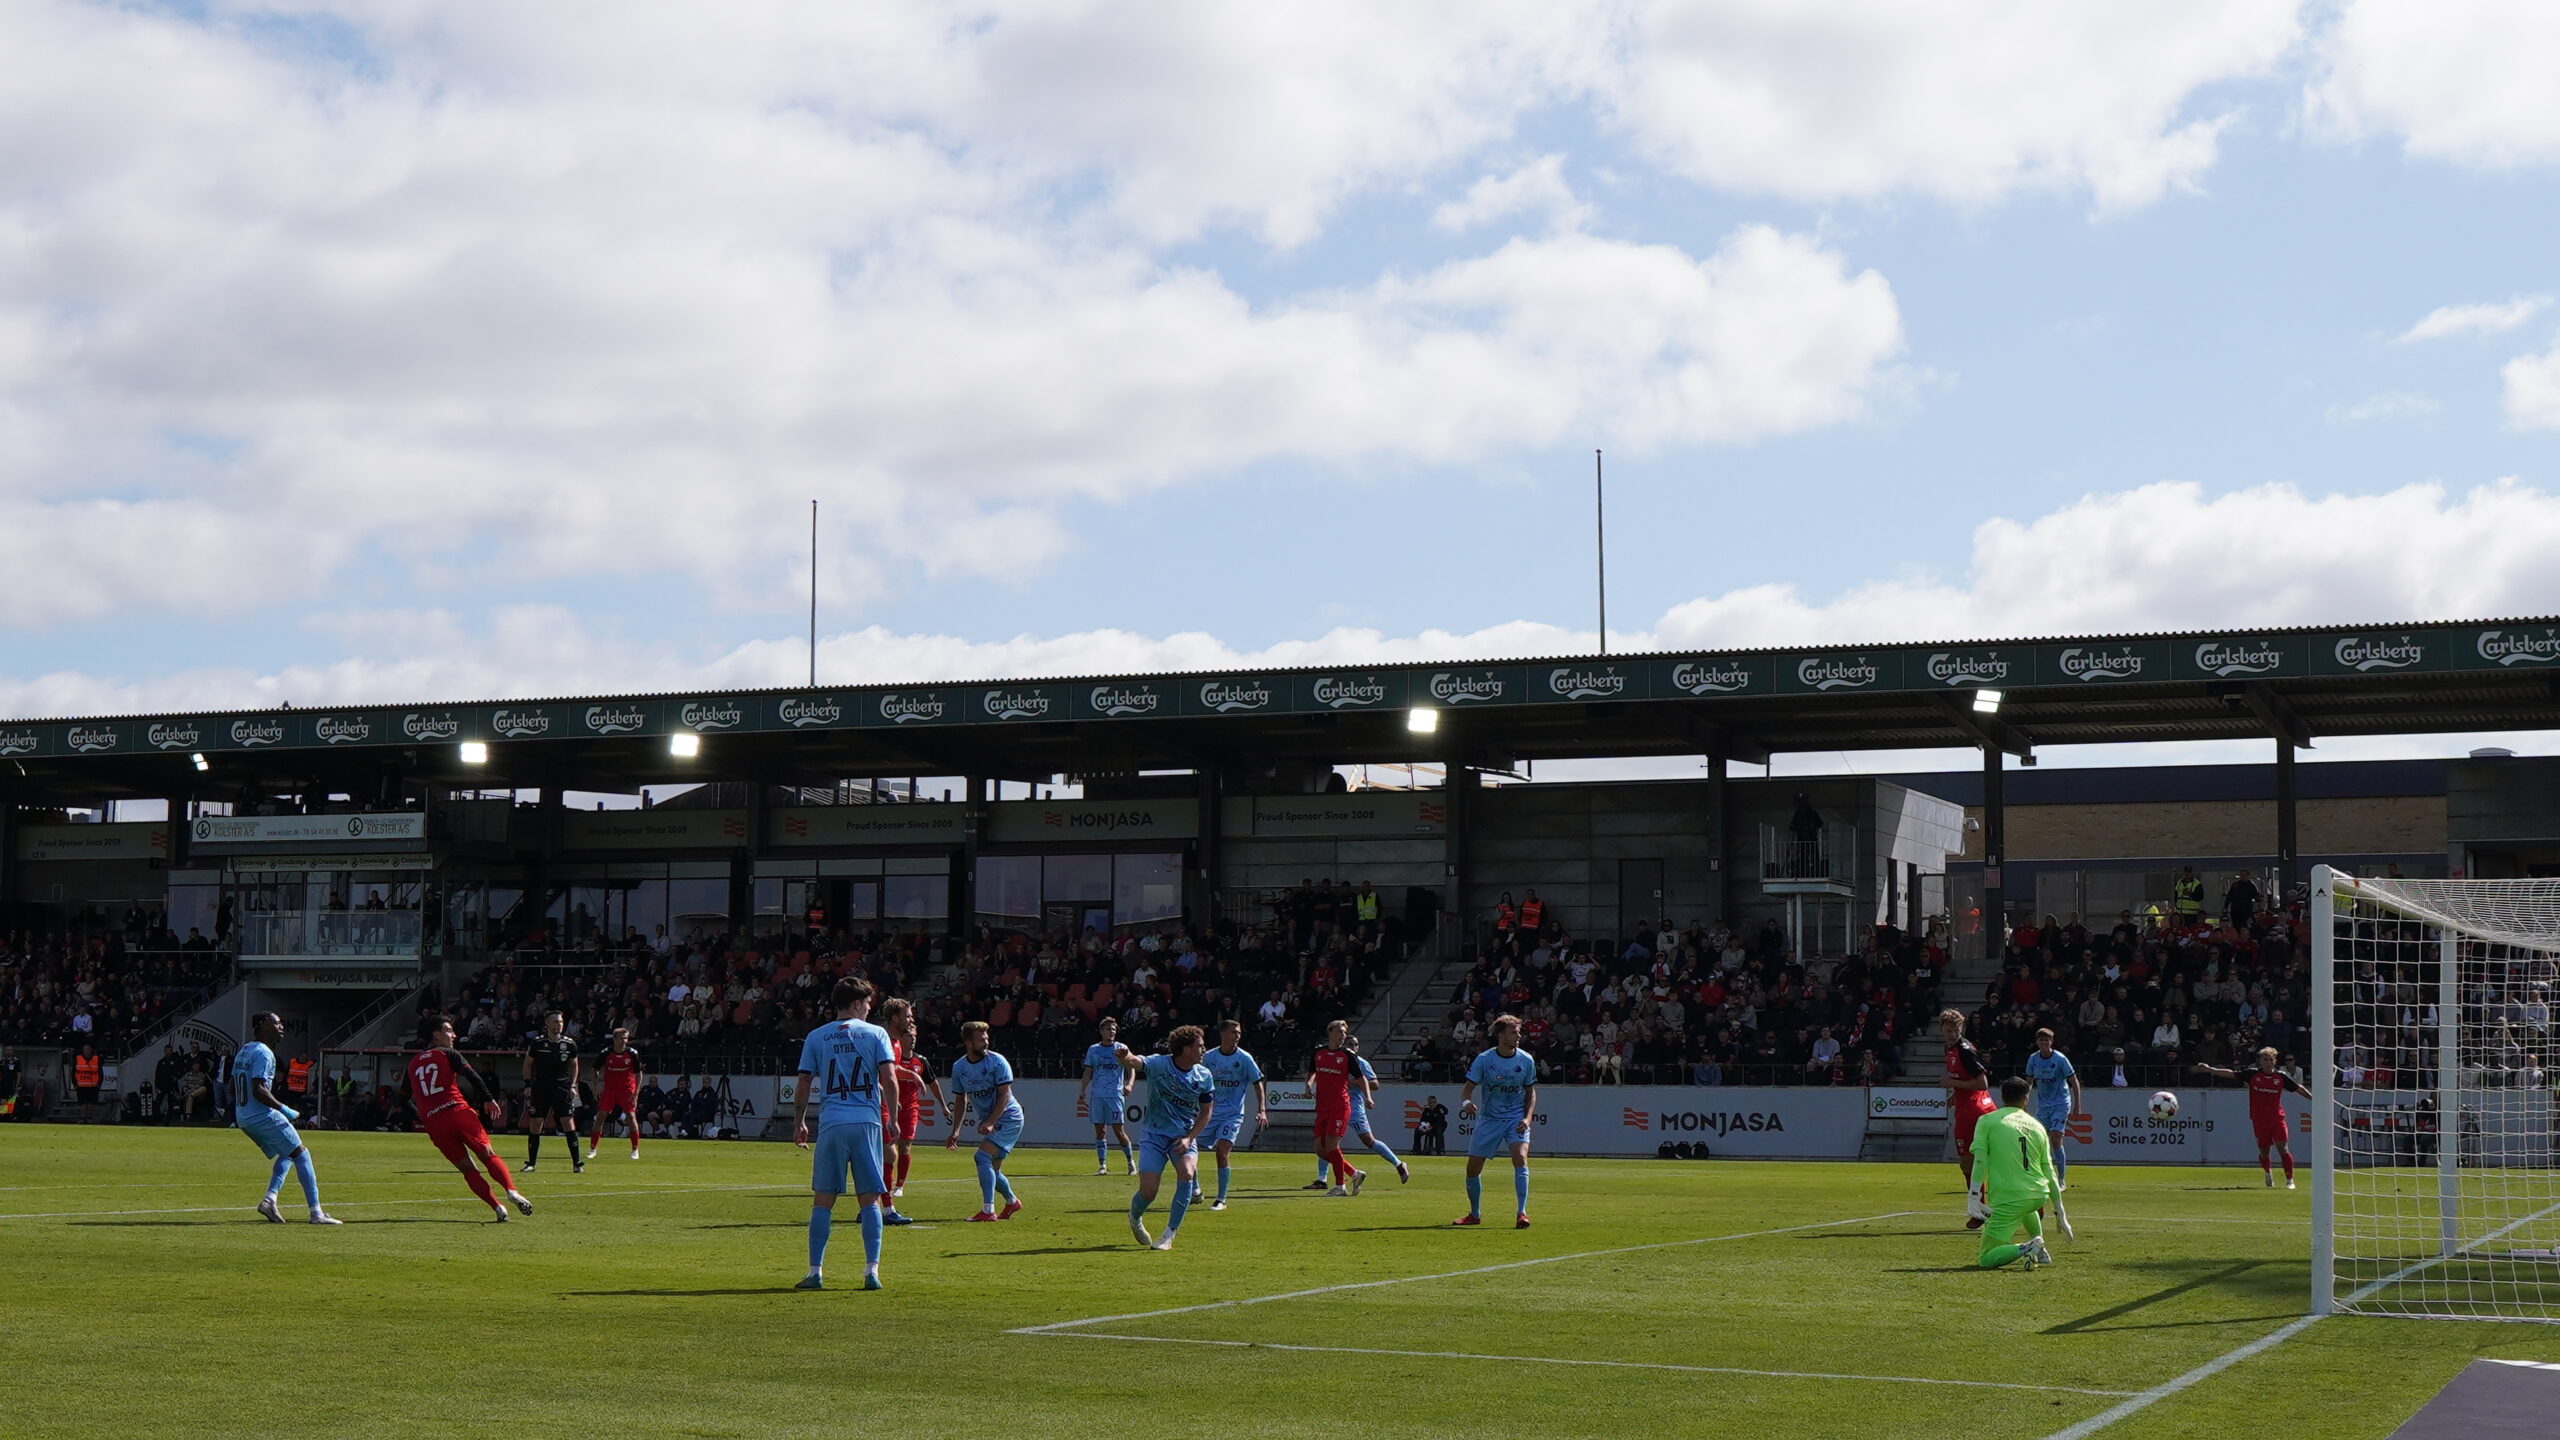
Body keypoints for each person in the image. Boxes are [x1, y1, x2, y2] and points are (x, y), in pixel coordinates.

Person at [791, 977, 900, 1291]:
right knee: (870, 1200)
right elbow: (889, 1078)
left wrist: (800, 1122)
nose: (868, 1009)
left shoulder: (816, 1036)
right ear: (856, 1003)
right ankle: (871, 1272)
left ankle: (815, 1272)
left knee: (823, 1201)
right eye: (867, 1003)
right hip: (866, 1122)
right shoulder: (876, 1033)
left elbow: (803, 1083)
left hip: (832, 1123)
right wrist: (893, 1118)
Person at [409, 1016, 532, 1221]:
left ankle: (497, 1207)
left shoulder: (413, 1063)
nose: (454, 1035)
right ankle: (511, 1191)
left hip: (434, 1123)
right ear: (436, 1035)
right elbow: (472, 1076)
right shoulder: (449, 1053)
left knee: (468, 1170)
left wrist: (424, 1116)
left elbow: (404, 1097)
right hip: (457, 1112)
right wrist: (488, 1099)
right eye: (449, 1031)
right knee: (488, 1155)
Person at [231, 1013, 337, 1225]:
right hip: (261, 1115)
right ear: (263, 1025)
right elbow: (259, 1088)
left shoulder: (245, 1050)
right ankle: (316, 1213)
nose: (281, 1026)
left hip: (244, 1116)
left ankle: (270, 1200)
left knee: (287, 1153)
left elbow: (231, 1085)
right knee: (301, 1154)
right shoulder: (264, 1052)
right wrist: (283, 1109)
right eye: (276, 1022)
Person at [1123, 1025, 1215, 1251]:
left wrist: (1190, 1138)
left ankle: (1168, 1235)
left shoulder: (1204, 1075)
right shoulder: (1159, 1064)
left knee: (1187, 1173)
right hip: (1154, 1135)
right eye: (1200, 1046)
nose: (1204, 1050)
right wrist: (1124, 1056)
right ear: (1186, 1049)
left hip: (1182, 1137)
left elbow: (1206, 1112)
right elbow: (1134, 1062)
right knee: (1149, 1192)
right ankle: (1134, 1216)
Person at [1455, 1014, 1536, 1228]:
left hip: (1515, 1118)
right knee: (1472, 1169)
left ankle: (1522, 1213)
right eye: (1513, 1032)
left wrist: (1527, 1118)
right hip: (1490, 1119)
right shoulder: (1484, 1060)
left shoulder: (1526, 1060)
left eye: (1519, 1032)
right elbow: (1467, 1090)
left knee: (1520, 1157)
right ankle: (1474, 1214)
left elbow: (1531, 1093)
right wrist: (1466, 1103)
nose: (1518, 1036)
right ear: (1500, 1035)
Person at [2195, 1047, 2311, 1189]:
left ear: (2274, 1061)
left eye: (2270, 1059)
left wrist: (2313, 1099)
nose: (2268, 1062)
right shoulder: (2252, 1074)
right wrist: (2210, 1069)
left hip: (2277, 1119)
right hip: (2259, 1120)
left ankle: (2289, 1180)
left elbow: (2298, 1088)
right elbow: (2231, 1073)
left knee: (2283, 1148)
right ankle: (2267, 1172)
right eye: (2265, 1059)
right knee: (2264, 1152)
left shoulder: (2281, 1077)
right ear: (2260, 1061)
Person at [1974, 1077, 2057, 1271]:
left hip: (2009, 1198)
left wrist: (1973, 1195)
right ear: (2026, 1099)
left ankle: (2027, 1247)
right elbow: (2048, 1168)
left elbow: (1979, 1161)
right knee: (2027, 1207)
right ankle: (2041, 1249)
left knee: (1986, 1258)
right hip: (2037, 1195)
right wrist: (2059, 1208)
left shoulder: (1988, 1120)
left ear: (2002, 1097)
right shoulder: (2036, 1125)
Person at [946, 1020, 1025, 1222]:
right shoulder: (959, 1067)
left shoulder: (997, 1062)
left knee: (981, 1157)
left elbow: (1004, 1095)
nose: (986, 1042)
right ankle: (1011, 1201)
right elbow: (960, 1099)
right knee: (992, 1170)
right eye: (981, 1039)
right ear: (968, 1042)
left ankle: (988, 1210)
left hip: (1009, 1117)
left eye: (986, 1038)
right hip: (994, 1120)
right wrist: (956, 1130)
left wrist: (990, 1122)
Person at [1193, 1019, 1266, 1211]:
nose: (1237, 1036)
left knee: (1222, 1151)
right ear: (1223, 1034)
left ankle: (1221, 1199)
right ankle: (1195, 1190)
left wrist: (1262, 1110)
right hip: (1209, 1113)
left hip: (1232, 1115)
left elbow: (1257, 1083)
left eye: (1239, 1033)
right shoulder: (1209, 1057)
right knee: (1189, 1149)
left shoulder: (1244, 1058)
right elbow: (1195, 1078)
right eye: (1233, 1032)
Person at [877, 998, 940, 1223]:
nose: (911, 1019)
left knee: (886, 1153)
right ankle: (884, 1210)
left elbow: (892, 1068)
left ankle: (874, 1207)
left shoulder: (893, 1043)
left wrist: (911, 1074)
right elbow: (879, 1071)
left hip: (883, 1104)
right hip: (874, 1104)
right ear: (895, 1018)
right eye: (908, 1015)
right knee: (887, 1153)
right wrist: (888, 1093)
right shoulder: (884, 1040)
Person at [1940, 1009, 1995, 1230]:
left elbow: (1982, 1083)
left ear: (1962, 1028)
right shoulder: (1951, 1048)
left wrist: (1952, 1084)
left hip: (1974, 1111)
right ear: (1942, 1030)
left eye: (1956, 1029)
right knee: (1981, 1160)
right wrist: (1956, 1093)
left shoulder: (1964, 1050)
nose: (1953, 1033)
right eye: (1949, 1030)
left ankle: (1979, 1210)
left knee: (1967, 1161)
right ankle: (1981, 1208)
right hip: (1972, 1106)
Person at [2023, 1028, 2080, 1240]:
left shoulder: (2060, 1059)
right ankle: (2039, 1177)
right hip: (2043, 1106)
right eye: (2041, 1040)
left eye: (2047, 1040)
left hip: (2060, 1103)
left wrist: (2077, 1105)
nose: (2044, 1043)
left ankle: (2061, 1179)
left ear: (2052, 1042)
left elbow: (2074, 1081)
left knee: (2056, 1138)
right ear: (2037, 1042)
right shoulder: (2033, 1059)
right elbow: (2029, 1082)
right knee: (2039, 1140)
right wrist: (2024, 1100)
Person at [1305, 1018, 1364, 1196]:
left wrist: (1368, 1097)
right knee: (1320, 1149)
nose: (1343, 1035)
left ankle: (1340, 1186)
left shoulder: (1347, 1055)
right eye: (1340, 1031)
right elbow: (1312, 1072)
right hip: (1322, 1106)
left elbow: (1361, 1078)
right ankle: (1354, 1174)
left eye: (1344, 1032)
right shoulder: (1318, 1052)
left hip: (1339, 1106)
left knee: (1332, 1145)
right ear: (1330, 1032)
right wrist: (1308, 1085)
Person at [1341, 1034, 1409, 1184]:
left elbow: (1375, 1084)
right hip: (1338, 1104)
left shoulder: (1361, 1063)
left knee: (1368, 1140)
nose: (1353, 1047)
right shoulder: (1338, 1061)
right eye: (1350, 1044)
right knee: (1328, 1141)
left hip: (1354, 1106)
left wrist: (1353, 1083)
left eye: (1356, 1044)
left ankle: (1398, 1164)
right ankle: (1322, 1178)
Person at [520, 1009, 582, 1174]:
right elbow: (527, 1064)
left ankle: (577, 1163)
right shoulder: (537, 1043)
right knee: (536, 1124)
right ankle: (531, 1163)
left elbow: (575, 1065)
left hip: (562, 1088)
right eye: (555, 1022)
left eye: (560, 1022)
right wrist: (527, 1085)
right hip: (541, 1088)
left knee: (568, 1122)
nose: (558, 1025)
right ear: (547, 1025)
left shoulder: (569, 1043)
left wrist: (573, 1086)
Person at [1081, 1017, 1137, 1176]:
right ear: (1101, 1031)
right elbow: (1088, 1071)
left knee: (1119, 1131)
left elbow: (1131, 1067)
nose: (1111, 1032)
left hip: (1115, 1095)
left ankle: (1131, 1163)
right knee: (1100, 1131)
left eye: (1113, 1029)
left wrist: (1129, 1084)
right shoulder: (1093, 1050)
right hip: (1097, 1095)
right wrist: (1083, 1090)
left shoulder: (1121, 1048)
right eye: (1108, 1029)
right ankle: (1102, 1165)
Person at [587, 1026, 643, 1162]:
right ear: (614, 1039)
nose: (624, 1041)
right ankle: (593, 1149)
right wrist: (595, 1087)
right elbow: (594, 1070)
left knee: (631, 1117)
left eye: (626, 1038)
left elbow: (639, 1073)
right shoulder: (606, 1053)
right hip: (610, 1090)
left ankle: (635, 1149)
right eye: (621, 1038)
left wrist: (636, 1092)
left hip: (627, 1090)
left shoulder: (633, 1053)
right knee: (600, 1116)